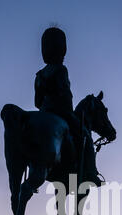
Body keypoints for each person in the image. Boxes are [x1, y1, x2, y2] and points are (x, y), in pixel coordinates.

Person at [34, 26, 102, 186]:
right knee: (85, 135)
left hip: (44, 113)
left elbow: (36, 102)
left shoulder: (39, 75)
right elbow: (65, 95)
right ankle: (91, 173)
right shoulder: (61, 69)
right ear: (61, 49)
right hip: (62, 112)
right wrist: (67, 110)